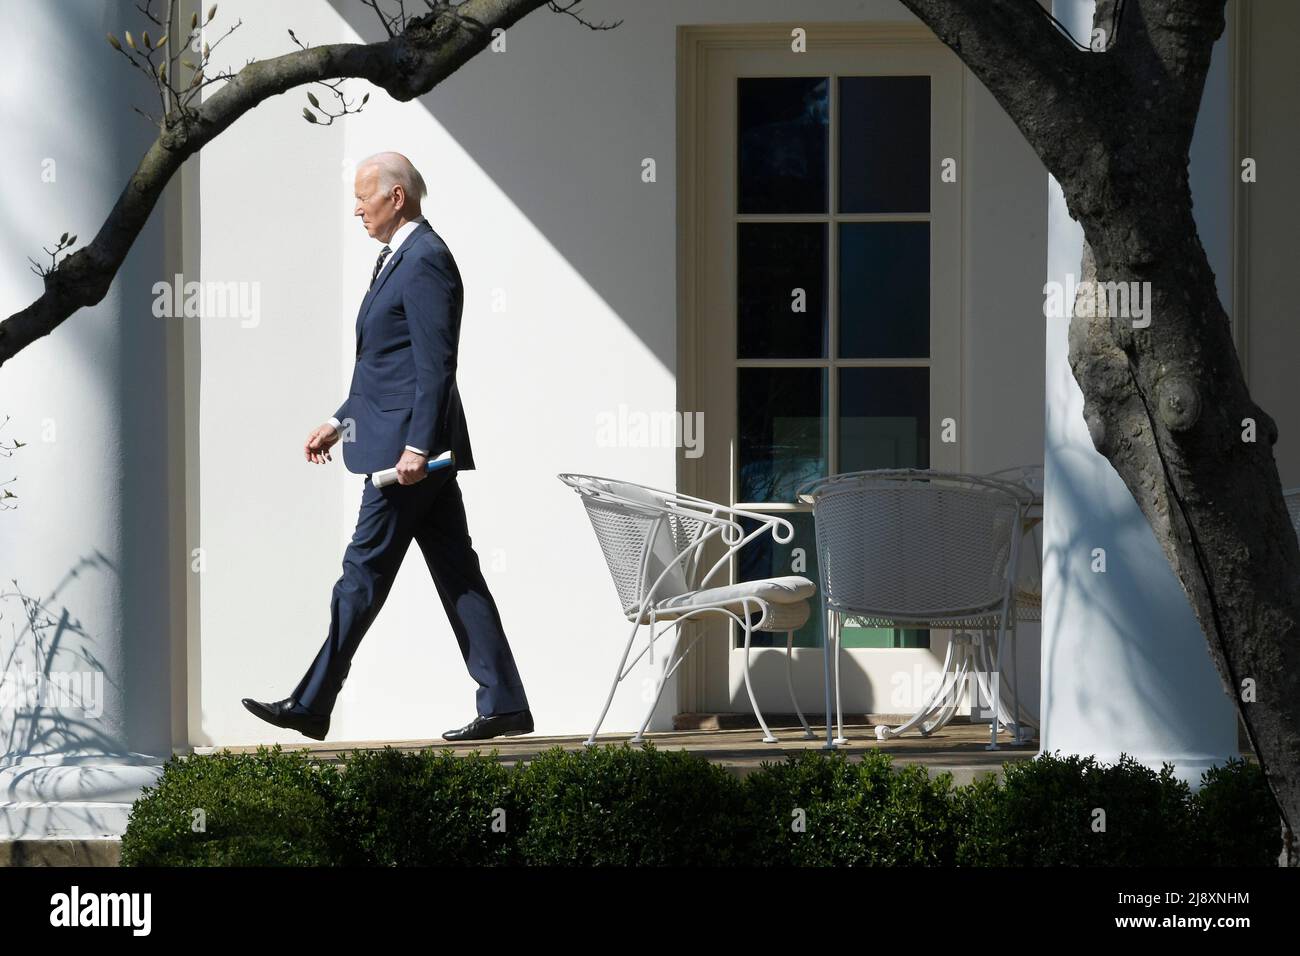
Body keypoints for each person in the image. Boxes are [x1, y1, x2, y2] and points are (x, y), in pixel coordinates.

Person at [242, 151, 532, 742]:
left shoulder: (425, 259)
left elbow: (436, 367)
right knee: (460, 575)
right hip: (406, 448)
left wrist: (418, 450)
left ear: (395, 197)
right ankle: (504, 703)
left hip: (408, 462)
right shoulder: (399, 259)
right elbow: (385, 369)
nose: (356, 208)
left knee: (360, 575)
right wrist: (337, 420)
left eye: (363, 197)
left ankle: (311, 702)